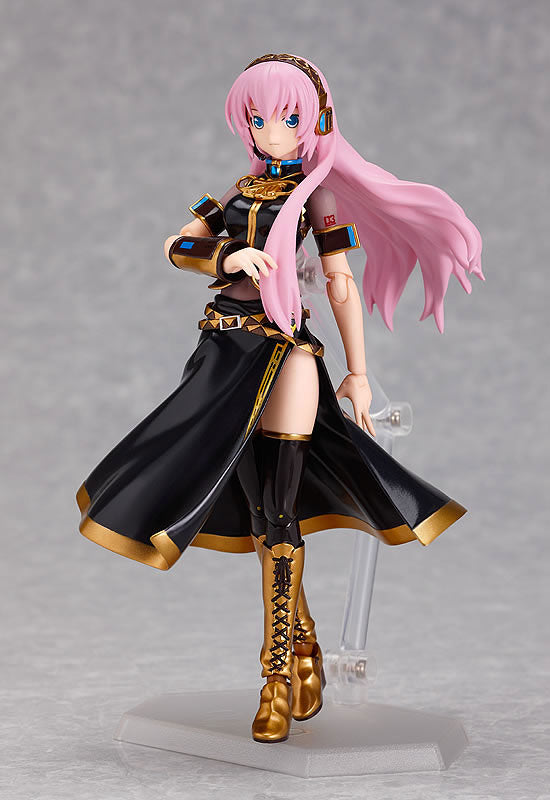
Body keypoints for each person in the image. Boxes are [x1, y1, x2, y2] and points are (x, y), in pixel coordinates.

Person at [76, 53, 483, 744]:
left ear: (315, 122)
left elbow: (340, 280)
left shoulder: (316, 198)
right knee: (249, 508)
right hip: (222, 353)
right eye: (259, 118)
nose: (272, 131)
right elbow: (176, 245)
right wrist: (226, 257)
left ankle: (274, 677)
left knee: (279, 509)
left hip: (286, 348)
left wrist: (358, 371)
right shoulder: (235, 194)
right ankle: (304, 641)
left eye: (288, 118)